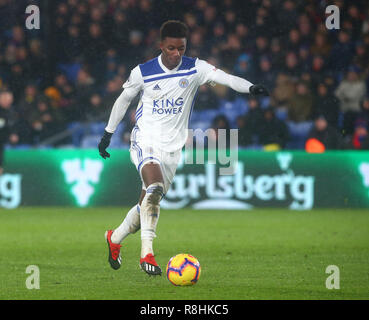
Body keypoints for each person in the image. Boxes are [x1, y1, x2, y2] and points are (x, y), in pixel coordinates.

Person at [98, 20, 268, 276]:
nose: (176, 54)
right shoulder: (142, 72)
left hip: (172, 149)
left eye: (181, 48)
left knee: (147, 202)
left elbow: (226, 77)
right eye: (171, 48)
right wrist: (107, 134)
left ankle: (115, 237)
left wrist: (250, 87)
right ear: (161, 46)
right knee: (154, 189)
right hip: (145, 140)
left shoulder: (195, 68)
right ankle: (147, 254)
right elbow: (123, 101)